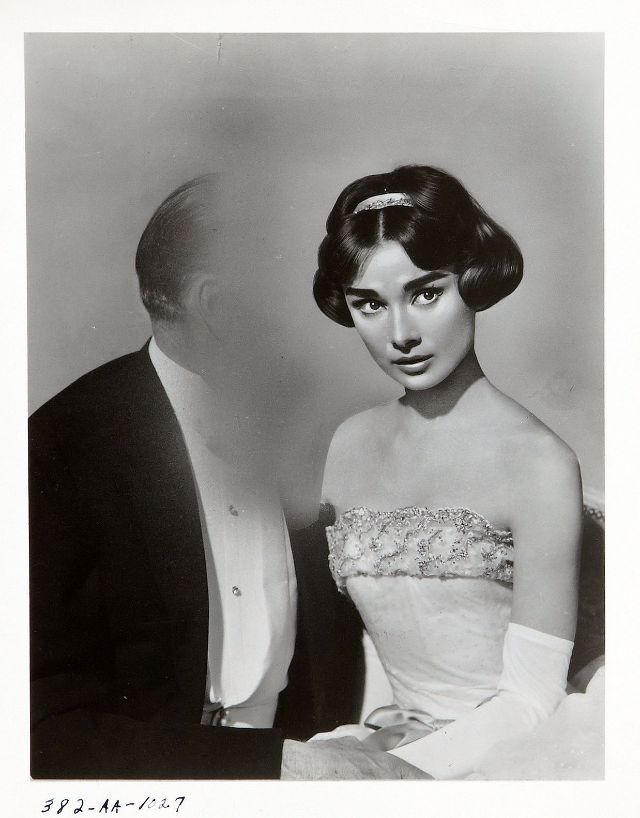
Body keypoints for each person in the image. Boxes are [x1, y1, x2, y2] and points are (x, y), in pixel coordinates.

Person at [29, 175, 428, 780]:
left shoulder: (328, 428)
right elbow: (37, 735)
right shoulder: (56, 453)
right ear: (216, 305)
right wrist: (279, 767)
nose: (336, 314)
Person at [311, 164, 584, 778]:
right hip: (387, 740)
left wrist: (396, 773)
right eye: (369, 305)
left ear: (472, 280)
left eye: (426, 294)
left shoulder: (539, 461)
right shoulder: (346, 444)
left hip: (503, 758)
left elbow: (531, 699)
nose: (401, 334)